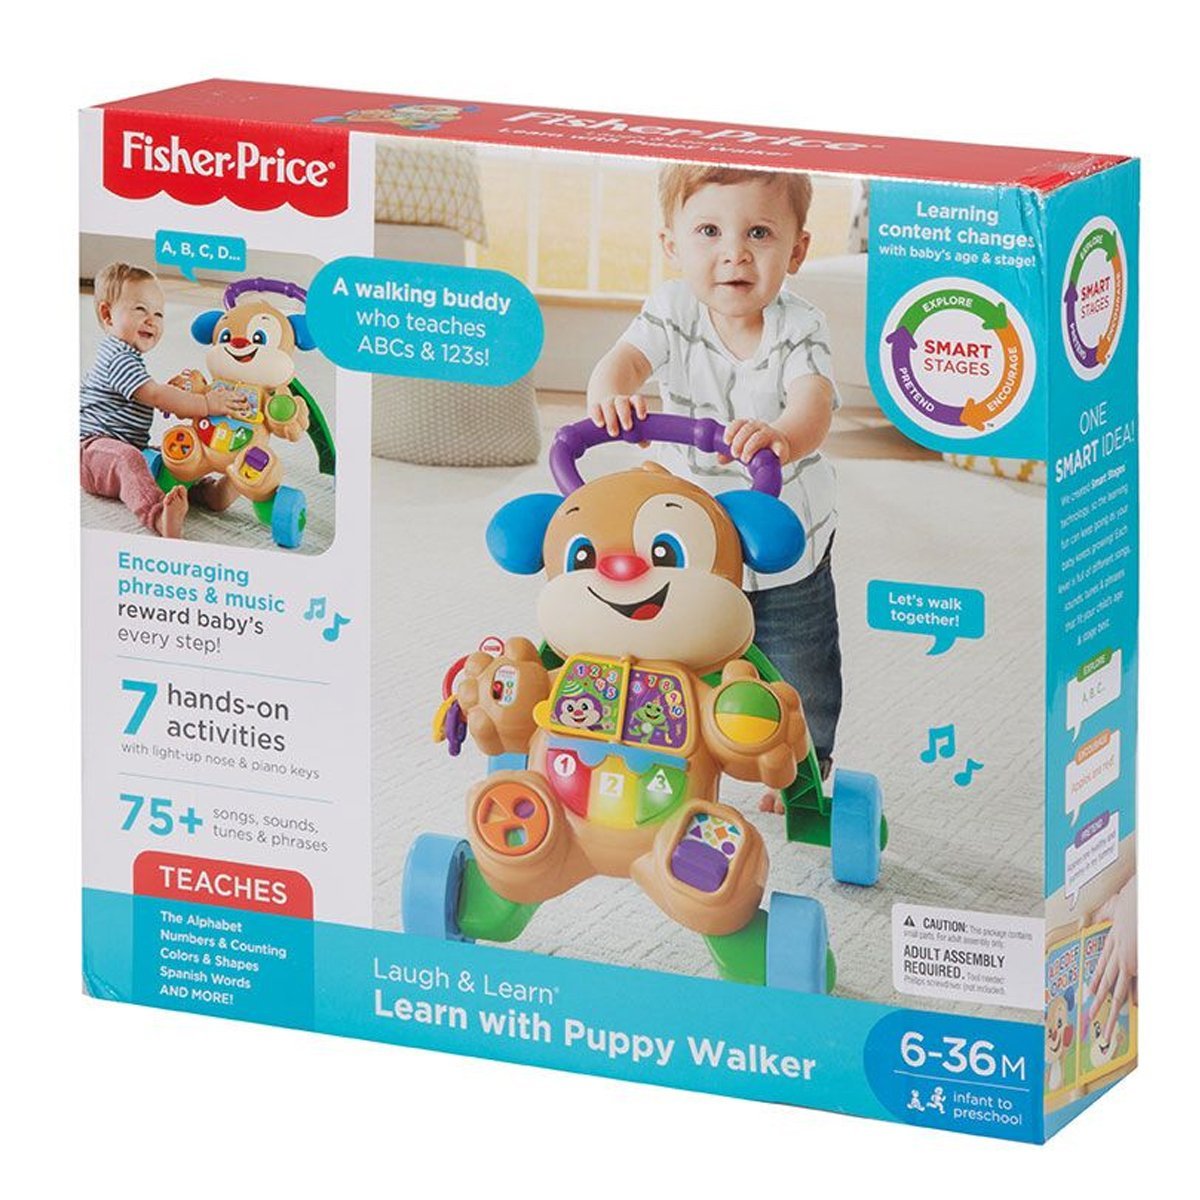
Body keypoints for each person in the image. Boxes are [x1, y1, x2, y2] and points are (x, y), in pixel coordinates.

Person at [587, 165, 842, 801]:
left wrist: (782, 436)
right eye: (709, 231)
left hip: (782, 535)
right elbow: (625, 361)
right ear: (672, 245)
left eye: (759, 233)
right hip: (688, 534)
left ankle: (807, 759)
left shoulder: (800, 326)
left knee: (797, 657)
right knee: (670, 644)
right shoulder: (672, 309)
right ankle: (666, 745)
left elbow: (813, 402)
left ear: (796, 251)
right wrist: (612, 392)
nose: (734, 253)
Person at [80, 263, 247, 537]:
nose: (152, 320)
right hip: (90, 452)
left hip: (128, 444)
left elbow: (152, 394)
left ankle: (206, 492)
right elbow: (155, 396)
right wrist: (206, 404)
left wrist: (175, 394)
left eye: (159, 313)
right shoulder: (117, 358)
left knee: (173, 455)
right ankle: (158, 515)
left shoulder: (128, 357)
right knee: (129, 460)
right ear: (107, 315)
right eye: (140, 309)